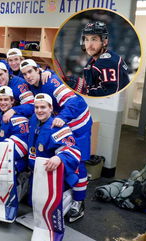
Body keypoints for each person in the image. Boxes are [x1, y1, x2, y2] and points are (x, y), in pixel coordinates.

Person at [20, 59, 92, 222]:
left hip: (78, 123)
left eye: (30, 72)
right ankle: (65, 191)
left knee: (78, 161)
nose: (28, 76)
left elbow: (74, 100)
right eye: (24, 74)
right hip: (60, 122)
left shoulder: (51, 81)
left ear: (38, 70)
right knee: (58, 158)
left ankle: (79, 202)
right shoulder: (33, 82)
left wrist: (61, 117)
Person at [27, 93, 81, 241]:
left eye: (43, 107)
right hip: (39, 173)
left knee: (49, 210)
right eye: (36, 107)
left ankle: (68, 199)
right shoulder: (34, 121)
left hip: (57, 178)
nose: (39, 110)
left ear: (51, 108)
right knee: (32, 203)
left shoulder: (58, 126)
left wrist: (59, 157)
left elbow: (74, 151)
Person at [81, 21, 130, 96]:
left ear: (104, 42)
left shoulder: (108, 62)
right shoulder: (93, 59)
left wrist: (82, 90)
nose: (89, 45)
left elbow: (110, 92)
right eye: (87, 39)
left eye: (94, 39)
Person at [0, 86, 28, 173]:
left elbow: (22, 146)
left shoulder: (19, 119)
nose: (2, 102)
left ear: (12, 101)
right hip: (0, 155)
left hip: (15, 160)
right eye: (0, 100)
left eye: (5, 99)